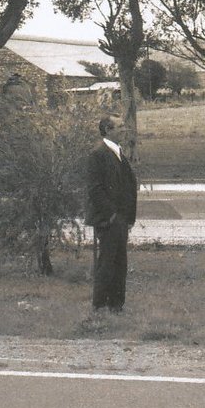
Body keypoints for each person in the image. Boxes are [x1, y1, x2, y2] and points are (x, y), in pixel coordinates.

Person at [85, 115, 137, 312]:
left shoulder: (118, 153)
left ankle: (116, 305)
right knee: (107, 263)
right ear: (108, 129)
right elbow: (95, 189)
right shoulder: (98, 154)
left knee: (119, 263)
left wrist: (128, 218)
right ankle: (99, 306)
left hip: (121, 219)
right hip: (109, 220)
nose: (124, 129)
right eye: (120, 126)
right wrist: (112, 215)